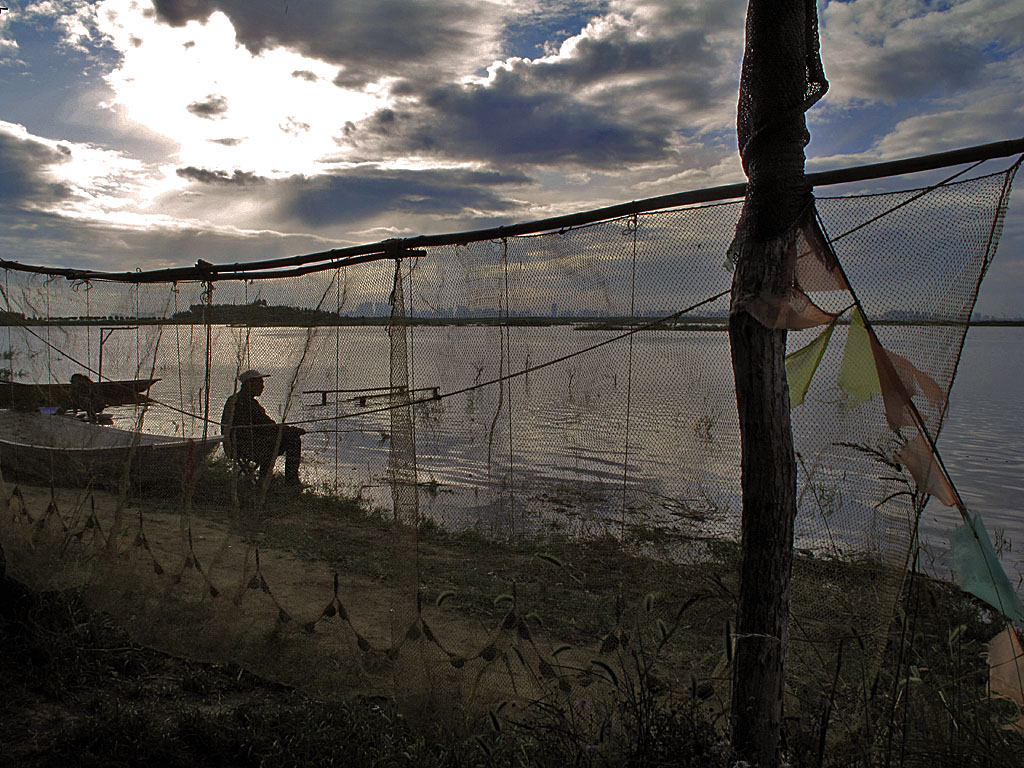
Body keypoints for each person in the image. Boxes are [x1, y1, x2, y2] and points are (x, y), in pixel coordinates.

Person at [221, 370, 304, 485]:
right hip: (243, 446)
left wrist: (286, 430)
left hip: (238, 444)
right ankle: (286, 482)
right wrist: (292, 431)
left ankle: (268, 481)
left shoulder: (236, 399)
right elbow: (268, 427)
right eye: (259, 383)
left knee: (282, 440)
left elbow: (265, 426)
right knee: (293, 440)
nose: (262, 387)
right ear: (249, 384)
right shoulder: (247, 403)